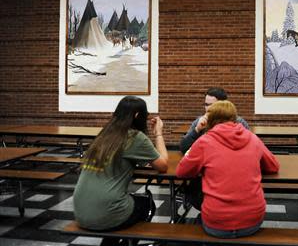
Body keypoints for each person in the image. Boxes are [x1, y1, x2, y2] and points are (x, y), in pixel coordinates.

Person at [73, 96, 168, 246]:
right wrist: (158, 133)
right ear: (137, 116)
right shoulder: (135, 137)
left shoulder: (104, 134)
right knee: (147, 203)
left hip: (80, 211)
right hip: (106, 213)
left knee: (124, 201)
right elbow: (163, 165)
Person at [176, 100, 279, 238]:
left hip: (216, 222)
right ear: (235, 118)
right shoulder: (253, 138)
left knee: (193, 191)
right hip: (252, 221)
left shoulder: (204, 142)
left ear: (210, 120)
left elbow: (181, 172)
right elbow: (273, 166)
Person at [179, 87, 250, 210]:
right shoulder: (200, 122)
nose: (208, 109)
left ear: (224, 105)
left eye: (212, 105)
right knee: (195, 192)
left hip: (231, 175)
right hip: (205, 175)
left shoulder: (239, 123)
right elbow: (184, 148)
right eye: (206, 105)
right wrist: (197, 130)